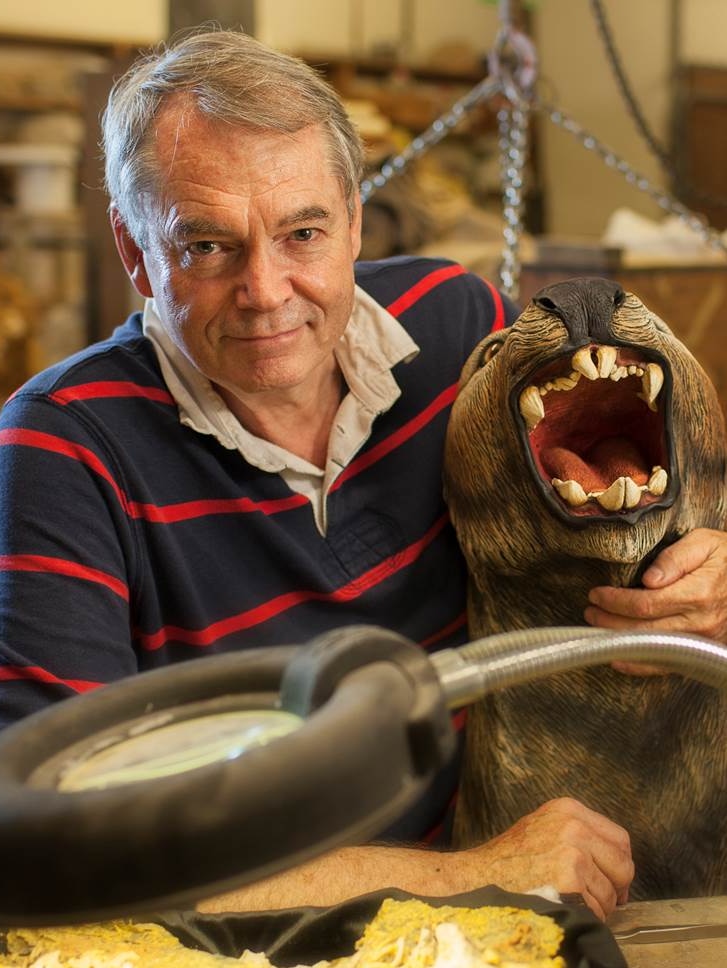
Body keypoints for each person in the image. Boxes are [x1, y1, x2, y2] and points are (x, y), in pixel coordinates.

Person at [0, 27, 724, 920]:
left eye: (302, 232)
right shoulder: (63, 448)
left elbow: (652, 502)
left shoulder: (457, 328)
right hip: (245, 933)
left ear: (353, 217)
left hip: (499, 880)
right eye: (206, 247)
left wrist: (710, 565)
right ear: (131, 247)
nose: (266, 292)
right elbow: (54, 847)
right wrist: (469, 876)